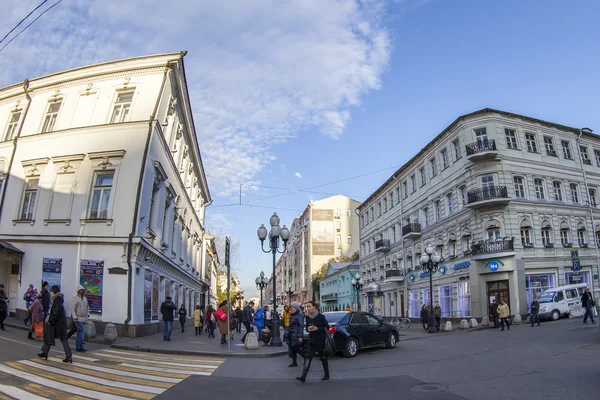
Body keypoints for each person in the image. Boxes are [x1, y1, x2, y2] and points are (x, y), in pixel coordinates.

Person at [296, 301, 330, 382]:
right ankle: (303, 376)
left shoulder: (321, 316)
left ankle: (326, 374)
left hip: (320, 340)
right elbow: (307, 327)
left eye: (309, 306)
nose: (308, 308)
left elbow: (327, 327)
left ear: (314, 307)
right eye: (307, 307)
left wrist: (318, 328)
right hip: (311, 340)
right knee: (308, 357)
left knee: (322, 357)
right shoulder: (307, 317)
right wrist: (308, 329)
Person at [38, 285, 72, 363]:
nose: (50, 293)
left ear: (54, 292)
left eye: (51, 291)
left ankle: (68, 356)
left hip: (57, 324)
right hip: (60, 323)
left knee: (52, 337)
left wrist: (51, 321)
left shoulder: (56, 300)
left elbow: (55, 313)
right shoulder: (59, 300)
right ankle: (45, 353)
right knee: (58, 338)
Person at [69, 285, 89, 352]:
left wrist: (87, 314)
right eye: (80, 290)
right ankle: (79, 346)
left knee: (79, 332)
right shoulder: (75, 298)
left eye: (82, 290)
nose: (81, 291)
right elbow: (72, 308)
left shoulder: (84, 298)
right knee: (82, 331)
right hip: (77, 318)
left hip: (83, 317)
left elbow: (87, 307)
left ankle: (78, 346)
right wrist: (74, 317)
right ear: (78, 291)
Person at [287, 302, 305, 367]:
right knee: (292, 348)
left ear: (295, 308)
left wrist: (300, 336)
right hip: (292, 333)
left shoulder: (299, 315)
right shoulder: (292, 314)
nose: (290, 308)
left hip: (296, 333)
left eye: (291, 307)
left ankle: (305, 357)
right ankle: (294, 362)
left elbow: (301, 325)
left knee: (295, 347)